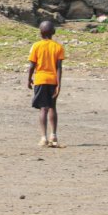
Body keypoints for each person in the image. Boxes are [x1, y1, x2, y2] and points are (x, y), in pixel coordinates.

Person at [27, 20, 65, 148]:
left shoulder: (36, 46)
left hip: (40, 80)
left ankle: (43, 138)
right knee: (52, 107)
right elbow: (59, 67)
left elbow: (32, 65)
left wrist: (28, 78)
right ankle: (53, 135)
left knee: (43, 108)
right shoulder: (58, 47)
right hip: (53, 80)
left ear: (40, 33)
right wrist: (59, 84)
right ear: (53, 32)